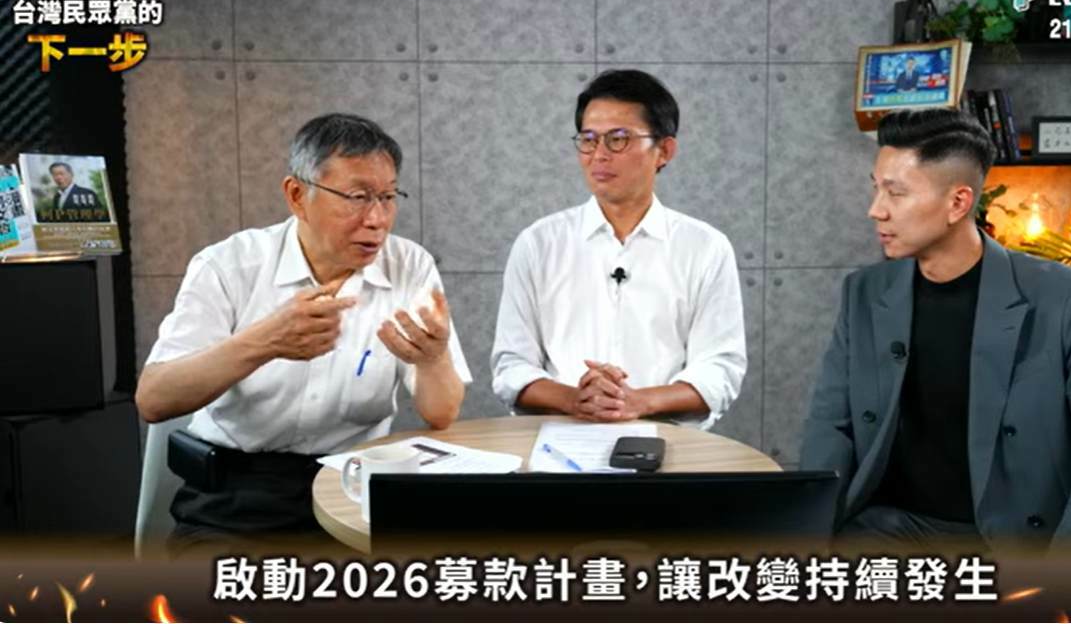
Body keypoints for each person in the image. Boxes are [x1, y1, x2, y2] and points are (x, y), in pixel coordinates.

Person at [135, 113, 471, 547]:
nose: (377, 219)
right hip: (236, 503)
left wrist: (432, 359)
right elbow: (154, 399)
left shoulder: (410, 266)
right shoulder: (228, 265)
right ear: (297, 195)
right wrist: (264, 342)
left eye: (388, 197)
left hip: (353, 490)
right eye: (357, 197)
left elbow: (441, 414)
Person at [800, 108, 1071, 551]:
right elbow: (831, 424)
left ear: (958, 203)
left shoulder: (1065, 298)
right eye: (876, 188)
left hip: (1012, 540)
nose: (875, 210)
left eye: (895, 193)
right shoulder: (865, 293)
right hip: (885, 527)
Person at [491, 69, 746, 430]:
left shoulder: (705, 248)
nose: (599, 155)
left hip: (669, 441)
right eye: (588, 140)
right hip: (561, 441)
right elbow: (511, 366)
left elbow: (720, 370)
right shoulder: (538, 244)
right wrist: (575, 399)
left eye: (618, 140)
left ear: (664, 151)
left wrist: (638, 402)